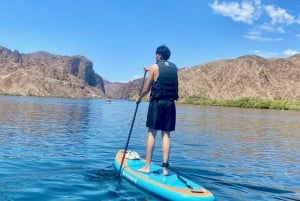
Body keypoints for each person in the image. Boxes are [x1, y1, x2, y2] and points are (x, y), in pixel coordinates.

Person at [136, 45, 179, 175]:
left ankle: (147, 167)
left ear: (159, 55)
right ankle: (165, 169)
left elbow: (146, 89)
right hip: (170, 104)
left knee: (151, 133)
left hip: (157, 103)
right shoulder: (174, 68)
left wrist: (139, 99)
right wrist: (149, 69)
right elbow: (163, 71)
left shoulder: (154, 67)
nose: (155, 56)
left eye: (156, 54)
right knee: (166, 134)